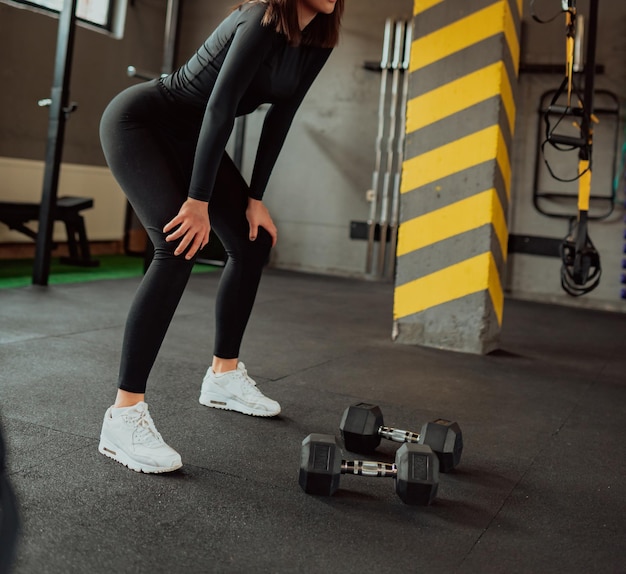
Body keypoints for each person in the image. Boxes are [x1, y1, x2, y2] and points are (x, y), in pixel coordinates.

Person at [97, 0, 344, 473]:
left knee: (253, 242)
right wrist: (198, 199)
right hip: (142, 123)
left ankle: (223, 377)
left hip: (192, 137)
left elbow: (281, 117)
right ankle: (123, 414)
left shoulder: (318, 40)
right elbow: (220, 106)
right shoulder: (260, 18)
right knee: (178, 245)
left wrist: (255, 197)